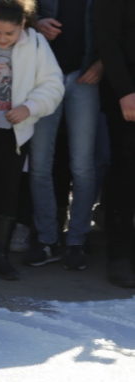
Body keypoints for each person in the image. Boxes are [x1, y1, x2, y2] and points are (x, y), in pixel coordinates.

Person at [0, 0, 64, 280]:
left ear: (22, 26)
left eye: (9, 34)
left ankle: (0, 257)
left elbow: (52, 85)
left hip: (16, 132)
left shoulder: (38, 44)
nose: (2, 39)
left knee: (8, 191)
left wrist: (30, 107)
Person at [25, 0, 102, 271]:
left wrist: (102, 63)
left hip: (85, 78)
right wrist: (35, 23)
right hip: (44, 78)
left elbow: (116, 27)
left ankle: (76, 240)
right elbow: (17, 10)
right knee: (39, 165)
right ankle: (46, 239)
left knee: (83, 165)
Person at [94, 0, 135, 288]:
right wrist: (125, 90)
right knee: (126, 172)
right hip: (127, 95)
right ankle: (120, 256)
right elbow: (107, 39)